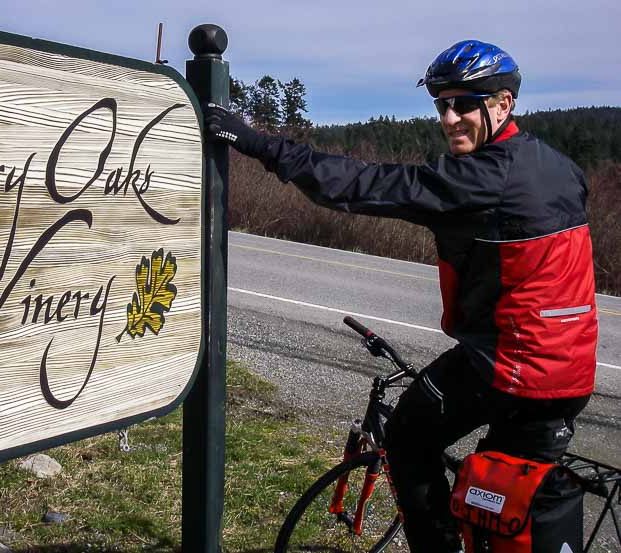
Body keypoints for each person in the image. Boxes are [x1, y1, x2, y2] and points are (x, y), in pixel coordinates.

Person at [205, 40, 597, 552]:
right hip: (570, 370)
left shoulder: (482, 179)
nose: (450, 117)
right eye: (442, 105)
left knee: (409, 439)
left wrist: (257, 143)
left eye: (464, 102)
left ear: (504, 103)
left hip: (511, 369)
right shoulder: (559, 166)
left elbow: (359, 184)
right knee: (501, 502)